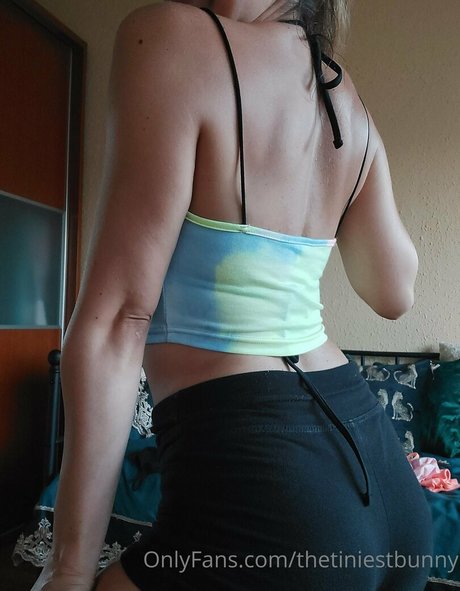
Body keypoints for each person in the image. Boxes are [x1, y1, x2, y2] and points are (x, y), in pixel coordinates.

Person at [32, 1, 433, 590]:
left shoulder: (172, 36)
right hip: (385, 482)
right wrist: (362, 152)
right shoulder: (342, 95)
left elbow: (118, 318)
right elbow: (394, 292)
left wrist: (66, 567)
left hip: (273, 491)